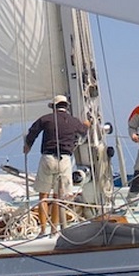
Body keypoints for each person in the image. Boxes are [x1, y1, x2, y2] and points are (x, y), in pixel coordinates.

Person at [23, 95, 89, 230]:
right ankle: (54, 229)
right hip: (64, 160)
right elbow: (83, 130)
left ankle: (42, 230)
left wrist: (28, 145)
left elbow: (33, 131)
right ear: (66, 107)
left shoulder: (46, 119)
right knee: (58, 197)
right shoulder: (74, 121)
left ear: (54, 107)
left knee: (43, 196)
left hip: (48, 158)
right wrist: (87, 125)